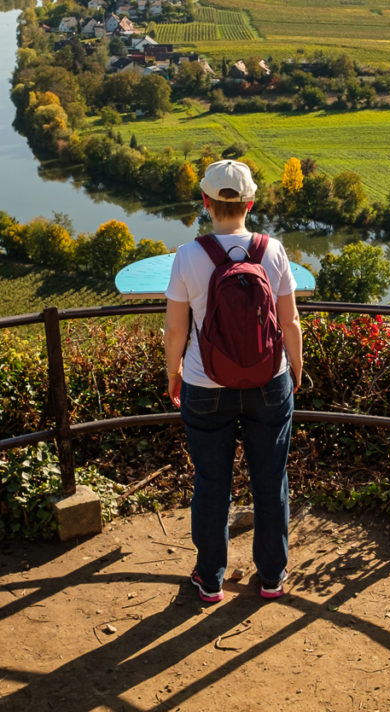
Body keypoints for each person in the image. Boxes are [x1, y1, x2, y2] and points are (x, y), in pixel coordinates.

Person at [164, 159, 303, 603]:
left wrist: (175, 374)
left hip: (205, 386)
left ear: (205, 202)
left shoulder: (188, 256)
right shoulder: (274, 250)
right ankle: (272, 577)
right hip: (269, 381)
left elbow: (175, 330)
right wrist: (295, 367)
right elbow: (291, 321)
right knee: (270, 479)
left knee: (211, 481)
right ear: (251, 202)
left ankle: (209, 579)